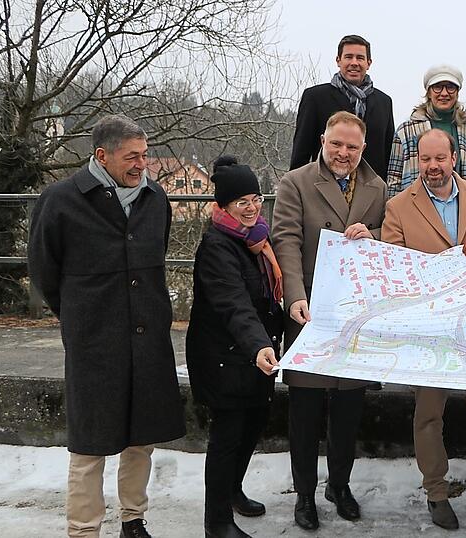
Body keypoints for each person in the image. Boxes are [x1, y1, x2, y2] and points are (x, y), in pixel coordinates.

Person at [27, 114, 186, 538]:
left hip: (147, 337)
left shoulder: (156, 199)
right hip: (94, 342)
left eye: (145, 155)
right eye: (132, 156)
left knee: (141, 439)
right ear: (102, 155)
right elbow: (44, 272)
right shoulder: (60, 200)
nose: (142, 165)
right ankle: (84, 530)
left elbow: (157, 255)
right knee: (89, 445)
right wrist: (83, 316)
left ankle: (133, 520)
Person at [382, 128, 466, 530]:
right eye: (425, 160)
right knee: (428, 413)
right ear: (416, 161)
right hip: (430, 328)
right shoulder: (398, 207)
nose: (433, 167)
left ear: (454, 157)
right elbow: (392, 264)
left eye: (440, 159)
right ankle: (436, 491)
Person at [272, 111, 387, 531]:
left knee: (348, 409)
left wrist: (372, 235)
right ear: (322, 140)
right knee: (304, 410)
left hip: (354, 316)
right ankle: (305, 493)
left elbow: (388, 238)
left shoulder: (377, 187)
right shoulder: (296, 182)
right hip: (309, 312)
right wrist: (295, 298)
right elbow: (286, 239)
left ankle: (340, 484)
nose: (343, 153)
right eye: (336, 144)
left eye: (352, 147)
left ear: (363, 149)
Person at [186, 156, 284, 538]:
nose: (251, 207)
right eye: (241, 201)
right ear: (223, 206)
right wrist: (259, 343)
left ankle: (233, 490)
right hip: (224, 356)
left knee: (253, 425)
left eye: (256, 198)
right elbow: (233, 303)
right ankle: (217, 522)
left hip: (255, 353)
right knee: (227, 436)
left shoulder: (257, 238)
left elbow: (267, 295)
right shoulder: (216, 246)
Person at [290, 34, 394, 179]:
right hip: (324, 188)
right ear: (338, 61)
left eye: (360, 58)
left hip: (370, 191)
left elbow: (388, 153)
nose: (354, 62)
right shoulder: (315, 97)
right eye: (348, 57)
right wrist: (296, 187)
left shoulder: (384, 103)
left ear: (369, 63)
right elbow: (301, 151)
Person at [386, 64, 466, 197]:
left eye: (450, 87)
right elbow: (393, 180)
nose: (444, 93)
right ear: (428, 92)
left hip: (459, 207)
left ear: (457, 92)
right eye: (437, 87)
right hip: (415, 207)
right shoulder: (406, 131)